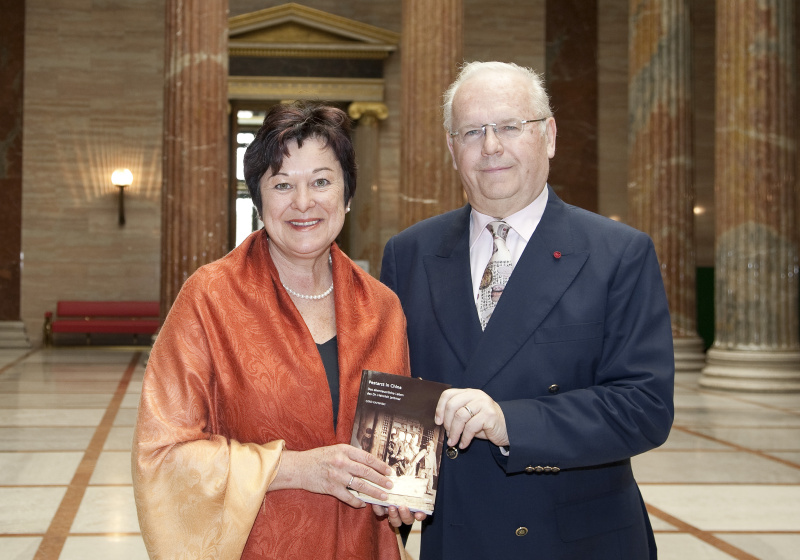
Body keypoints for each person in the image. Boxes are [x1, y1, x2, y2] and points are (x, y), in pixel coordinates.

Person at [380, 61, 675, 559]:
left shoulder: (618, 253)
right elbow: (401, 392)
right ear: (452, 148)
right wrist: (397, 489)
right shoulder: (409, 253)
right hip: (460, 537)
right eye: (472, 131)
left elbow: (644, 408)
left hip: (578, 542)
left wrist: (510, 422)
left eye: (510, 126)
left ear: (549, 136)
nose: (490, 146)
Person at [133, 101, 410, 559]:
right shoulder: (209, 298)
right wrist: (296, 469)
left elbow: (395, 447)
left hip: (364, 546)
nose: (303, 202)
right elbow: (161, 454)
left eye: (321, 181)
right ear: (260, 202)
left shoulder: (383, 308)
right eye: (282, 184)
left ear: (347, 195)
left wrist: (401, 493)